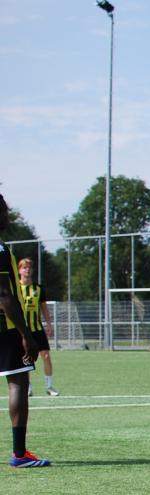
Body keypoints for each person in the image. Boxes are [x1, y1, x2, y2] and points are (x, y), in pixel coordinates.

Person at [0, 194, 50, 467]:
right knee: (18, 382)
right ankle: (19, 454)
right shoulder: (0, 250)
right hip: (5, 328)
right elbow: (5, 296)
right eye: (4, 210)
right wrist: (26, 334)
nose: (8, 215)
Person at [15, 257, 60, 396]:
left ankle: (49, 386)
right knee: (26, 358)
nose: (27, 270)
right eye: (24, 267)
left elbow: (44, 308)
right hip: (23, 331)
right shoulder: (15, 288)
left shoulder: (38, 289)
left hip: (37, 329)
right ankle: (28, 387)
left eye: (29, 267)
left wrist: (49, 324)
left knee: (46, 356)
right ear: (19, 270)